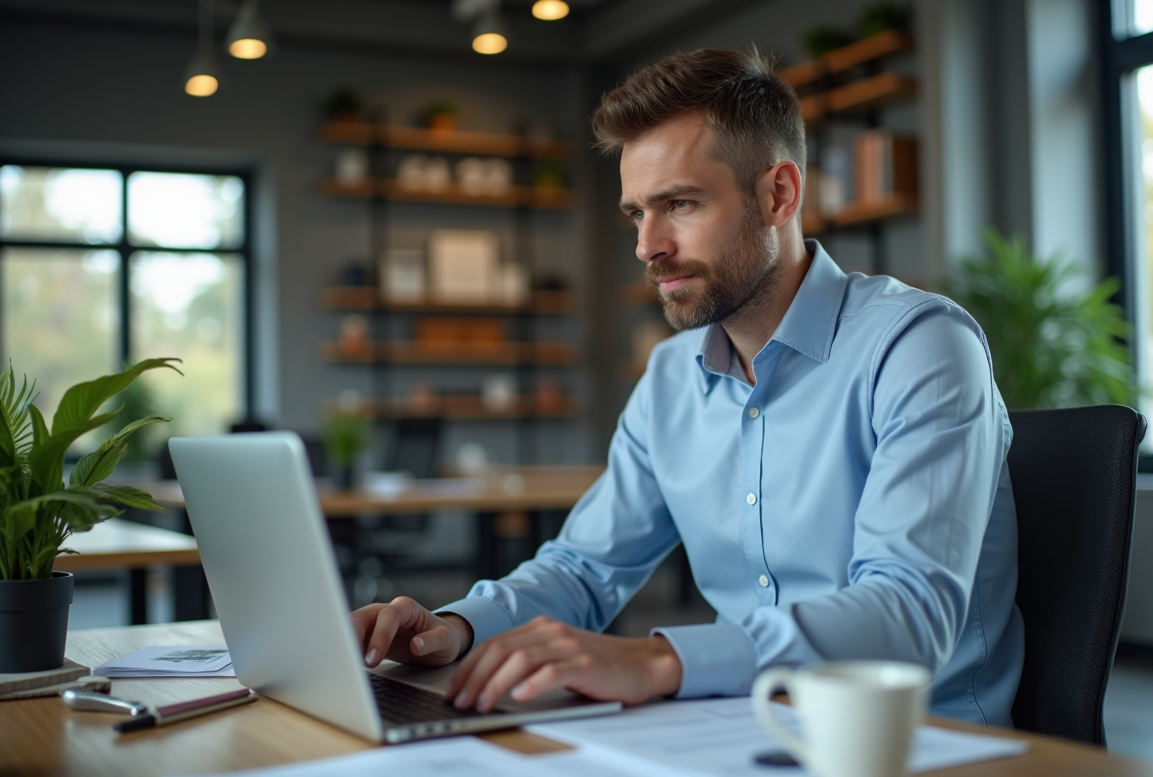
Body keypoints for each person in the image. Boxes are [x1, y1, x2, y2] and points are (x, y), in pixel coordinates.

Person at [351, 48, 1024, 726]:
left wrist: (659, 660)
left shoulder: (918, 346)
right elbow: (585, 568)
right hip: (737, 730)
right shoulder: (671, 378)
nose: (647, 246)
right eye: (636, 213)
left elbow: (909, 613)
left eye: (679, 203)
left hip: (920, 746)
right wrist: (454, 629)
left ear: (779, 195)